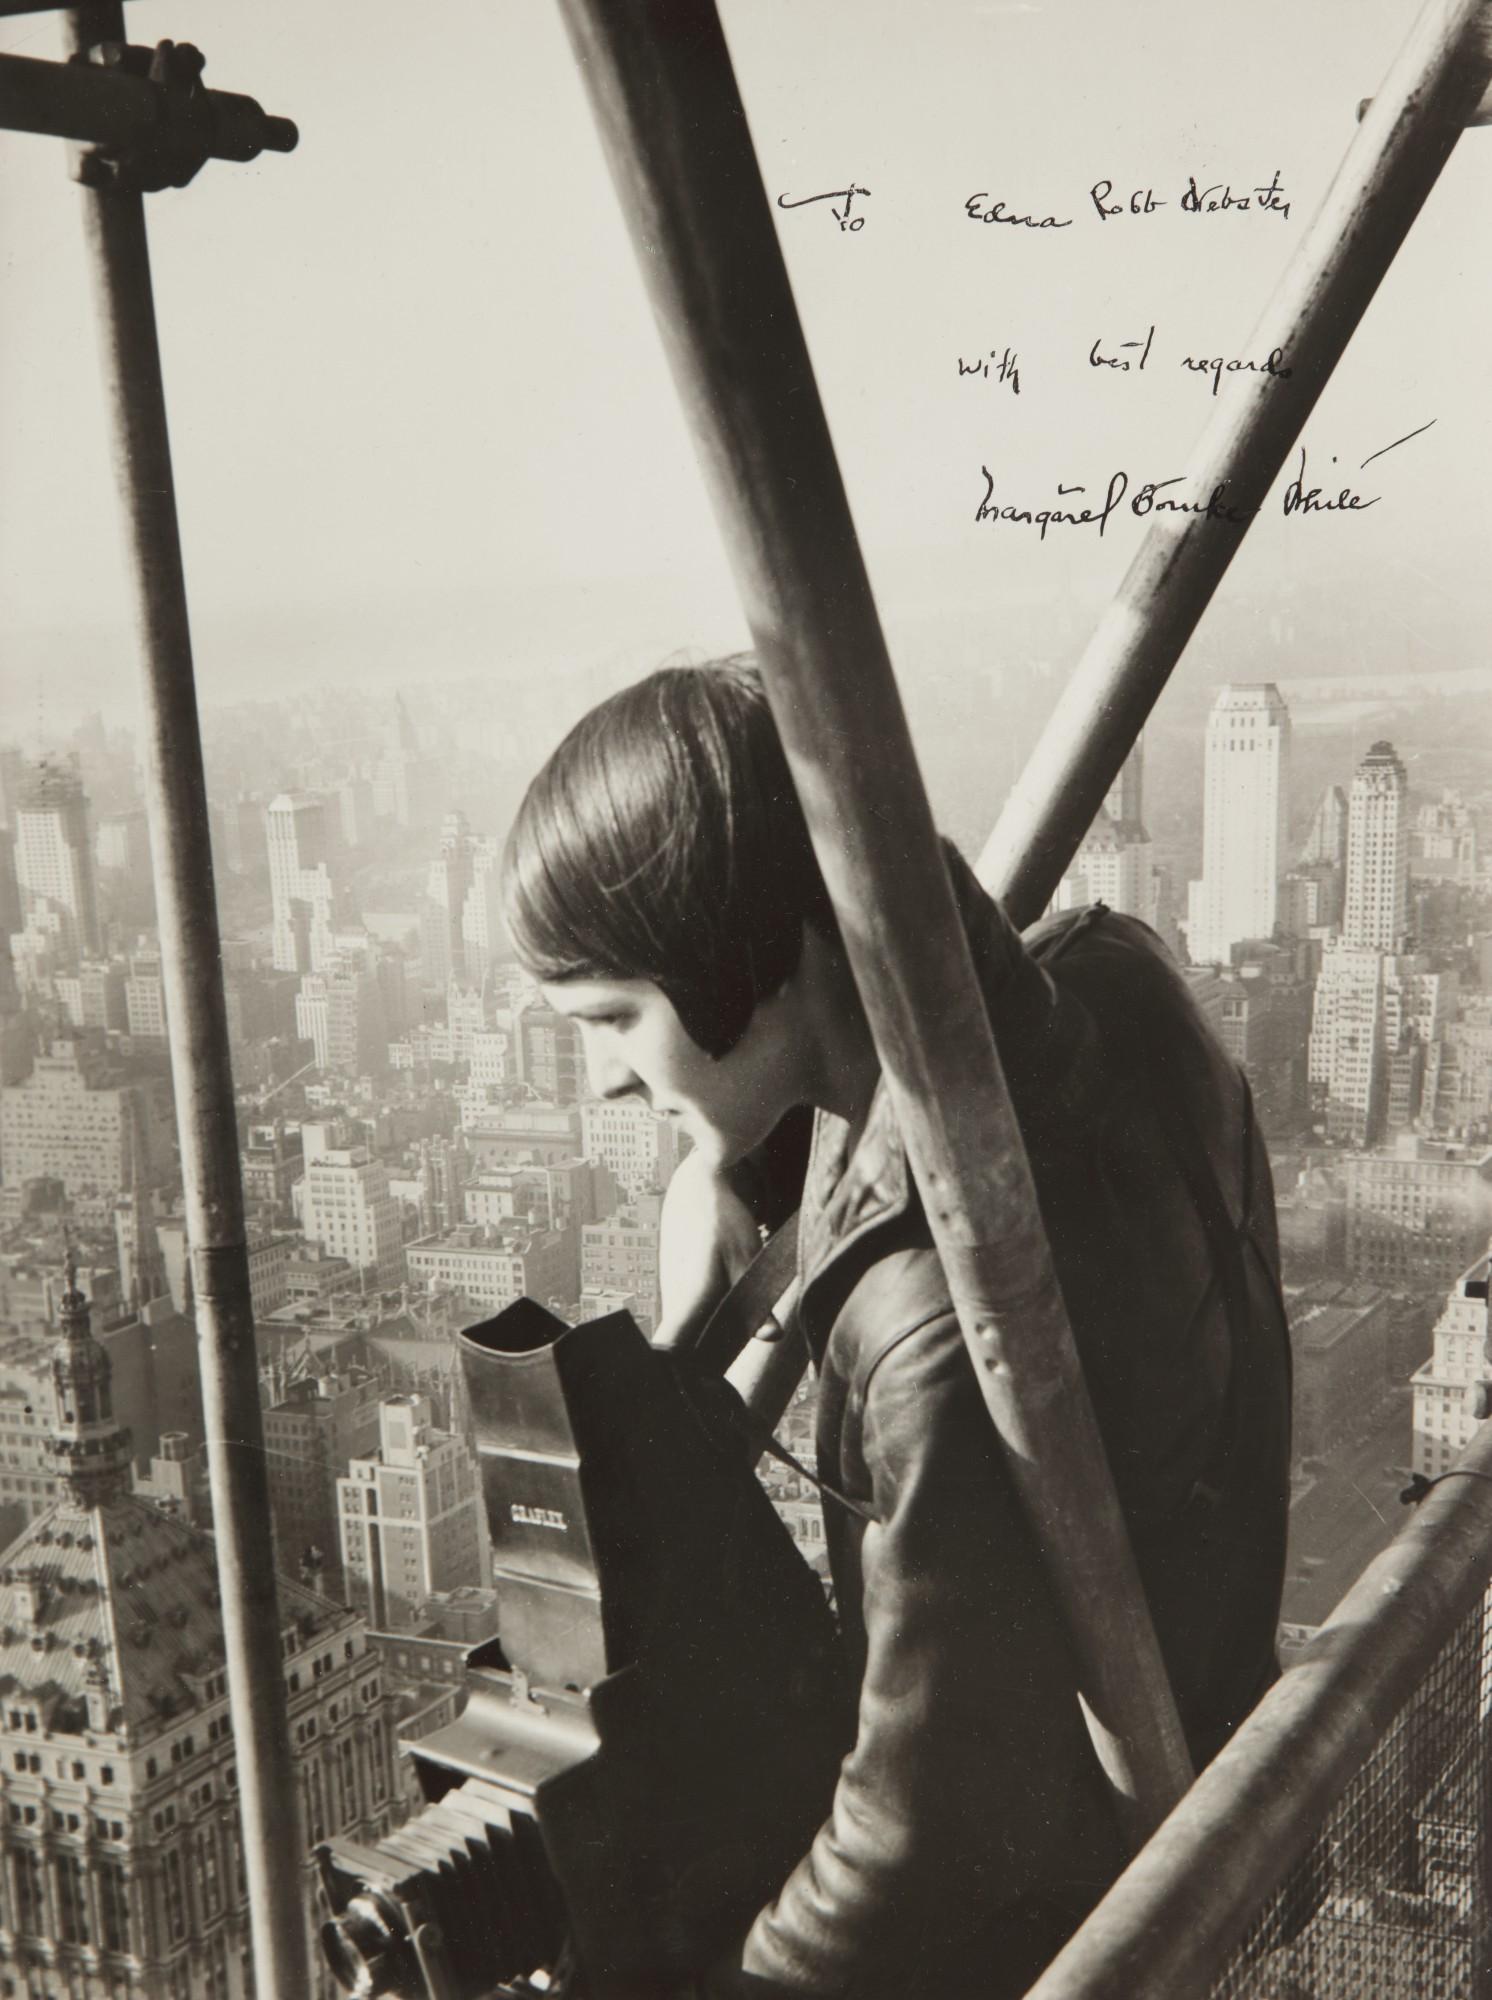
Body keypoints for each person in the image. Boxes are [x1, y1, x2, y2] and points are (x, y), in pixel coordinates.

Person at [501, 658, 1292, 1999]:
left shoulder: (937, 1316)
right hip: (1212, 1726)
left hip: (1080, 1910)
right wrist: (740, 1171)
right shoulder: (1113, 978)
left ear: (742, 955)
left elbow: (925, 1831)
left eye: (616, 1017)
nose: (605, 1078)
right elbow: (907, 1038)